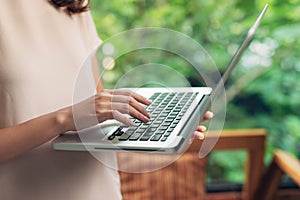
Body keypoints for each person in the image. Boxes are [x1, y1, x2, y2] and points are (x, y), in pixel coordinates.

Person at [0, 0, 213, 199]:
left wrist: (163, 131)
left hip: (98, 190)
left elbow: (95, 108)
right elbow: (75, 114)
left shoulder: (74, 4)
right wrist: (63, 119)